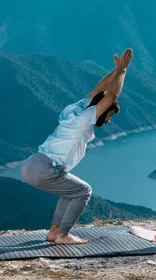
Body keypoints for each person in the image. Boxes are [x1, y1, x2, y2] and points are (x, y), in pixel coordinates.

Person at [20, 49, 133, 245]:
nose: (107, 120)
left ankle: (54, 232)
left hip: (31, 164)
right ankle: (63, 235)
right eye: (109, 115)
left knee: (71, 191)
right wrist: (122, 70)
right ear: (103, 111)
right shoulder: (84, 119)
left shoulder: (76, 109)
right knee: (84, 191)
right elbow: (111, 95)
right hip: (44, 168)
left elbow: (100, 89)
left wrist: (115, 71)